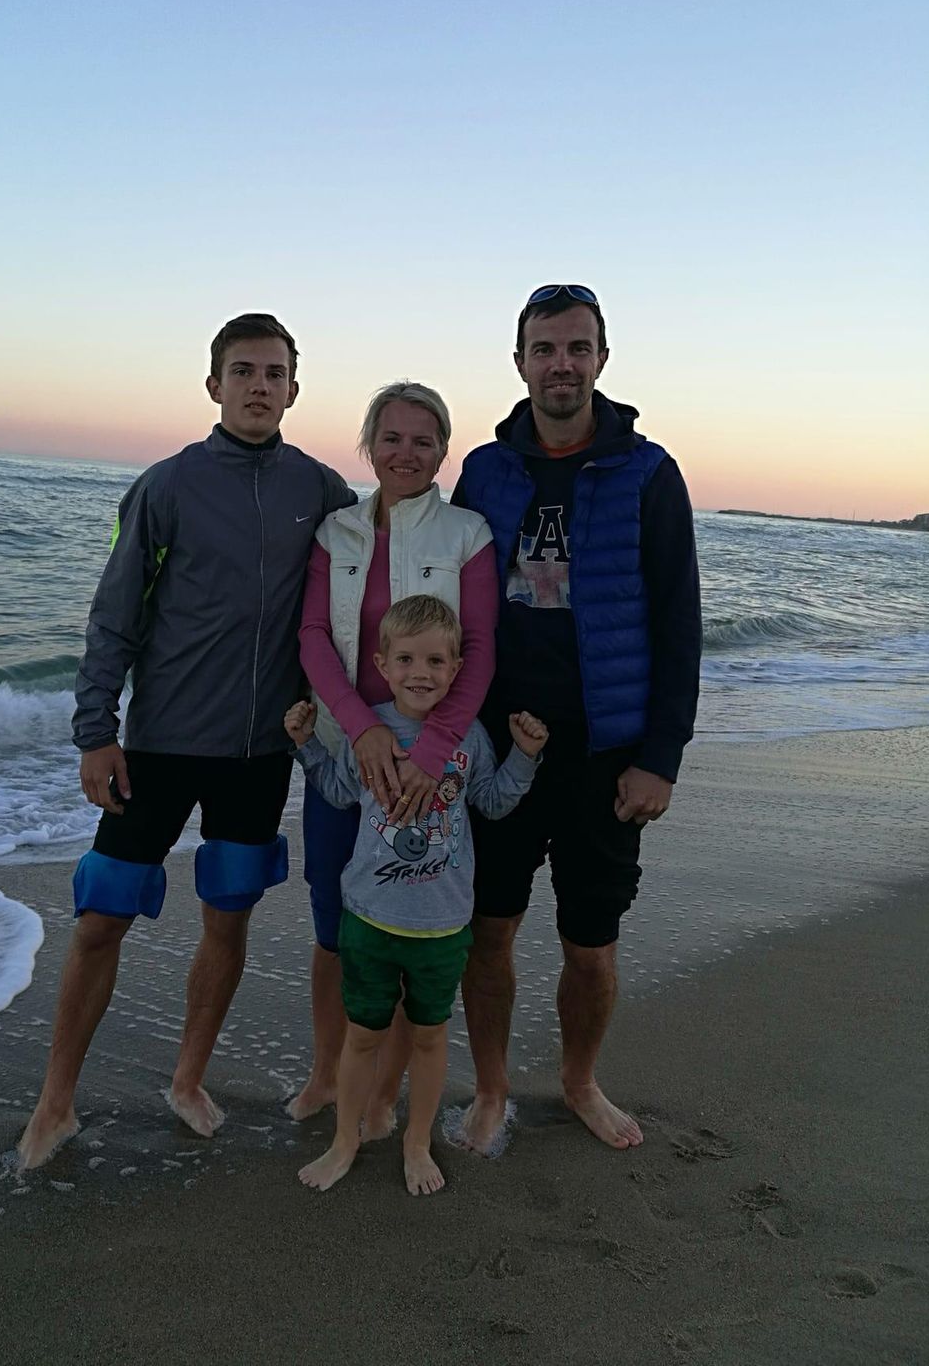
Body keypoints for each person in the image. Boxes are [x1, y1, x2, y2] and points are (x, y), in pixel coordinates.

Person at [15, 314, 356, 1170]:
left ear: (294, 389)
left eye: (274, 373)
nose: (258, 386)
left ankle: (188, 1080)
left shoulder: (321, 491)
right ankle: (55, 1102)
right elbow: (114, 617)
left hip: (260, 754)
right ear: (213, 384)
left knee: (228, 917)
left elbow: (359, 598)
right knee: (102, 917)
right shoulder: (166, 486)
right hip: (159, 746)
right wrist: (96, 733)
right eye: (243, 371)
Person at [453, 284, 701, 1154]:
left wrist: (660, 757)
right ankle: (491, 1089)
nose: (561, 364)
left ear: (601, 358)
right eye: (545, 349)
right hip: (498, 748)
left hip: (606, 753)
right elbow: (448, 596)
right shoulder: (485, 470)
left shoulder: (649, 473)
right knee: (489, 932)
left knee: (590, 947)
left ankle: (579, 1081)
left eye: (577, 348)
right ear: (519, 361)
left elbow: (678, 622)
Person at [286, 383, 498, 1129]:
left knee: (411, 930)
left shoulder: (467, 534)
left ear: (443, 452)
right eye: (391, 438)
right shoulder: (336, 531)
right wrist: (360, 728)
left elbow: (478, 650)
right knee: (333, 927)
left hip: (429, 768)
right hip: (350, 753)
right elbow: (313, 636)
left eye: (423, 441)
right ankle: (326, 1076)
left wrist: (432, 751)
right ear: (369, 444)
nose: (406, 453)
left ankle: (381, 1097)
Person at [284, 595, 547, 1195]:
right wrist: (306, 744)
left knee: (430, 1036)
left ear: (457, 669)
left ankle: (417, 1142)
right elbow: (337, 790)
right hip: (369, 920)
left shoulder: (469, 737)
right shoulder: (369, 732)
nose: (420, 673)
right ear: (381, 664)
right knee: (362, 1036)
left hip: (443, 926)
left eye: (435, 661)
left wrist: (525, 756)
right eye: (405, 659)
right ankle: (345, 1141)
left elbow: (493, 802)